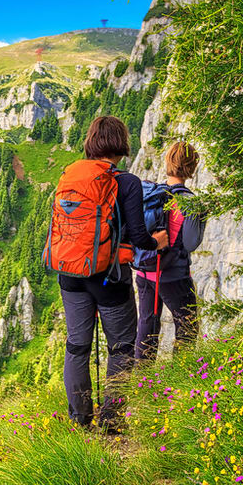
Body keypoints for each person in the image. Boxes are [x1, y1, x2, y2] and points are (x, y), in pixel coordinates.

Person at [53, 116, 168, 432]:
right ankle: (111, 421)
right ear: (120, 143)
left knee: (77, 345)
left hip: (70, 274)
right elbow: (138, 236)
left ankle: (80, 420)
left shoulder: (72, 175)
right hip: (109, 277)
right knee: (120, 347)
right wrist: (157, 241)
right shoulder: (126, 182)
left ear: (91, 142)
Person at [134, 141, 206, 361]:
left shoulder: (152, 193)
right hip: (173, 275)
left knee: (147, 327)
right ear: (192, 168)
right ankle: (179, 380)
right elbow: (191, 243)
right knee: (187, 327)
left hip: (145, 272)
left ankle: (142, 384)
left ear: (168, 162)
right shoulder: (190, 202)